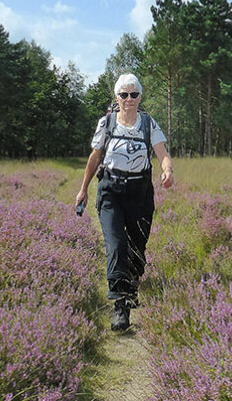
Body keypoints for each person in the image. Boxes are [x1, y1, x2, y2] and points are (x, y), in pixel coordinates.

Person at [76, 73, 174, 331]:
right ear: (116, 97)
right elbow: (95, 157)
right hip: (111, 191)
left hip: (140, 193)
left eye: (134, 94)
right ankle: (121, 306)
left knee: (136, 250)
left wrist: (168, 170)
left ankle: (131, 287)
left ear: (140, 97)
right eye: (124, 95)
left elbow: (162, 153)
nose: (129, 99)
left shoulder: (148, 123)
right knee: (117, 246)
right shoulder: (106, 123)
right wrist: (83, 189)